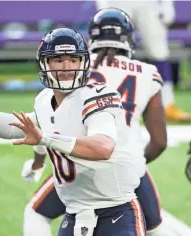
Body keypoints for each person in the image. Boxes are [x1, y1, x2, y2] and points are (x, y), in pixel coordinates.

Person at [0, 27, 145, 236]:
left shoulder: (98, 95)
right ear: (45, 63)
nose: (67, 67)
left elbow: (103, 147)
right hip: (74, 213)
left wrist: (44, 139)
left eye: (73, 59)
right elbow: (15, 127)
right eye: (58, 59)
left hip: (116, 210)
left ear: (83, 62)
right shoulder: (45, 100)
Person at [22, 8, 172, 236]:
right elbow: (159, 142)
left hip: (84, 161)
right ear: (129, 39)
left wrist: (38, 162)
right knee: (154, 228)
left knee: (36, 212)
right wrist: (130, 163)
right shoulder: (147, 73)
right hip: (129, 166)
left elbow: (48, 120)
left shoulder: (73, 64)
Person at [94, 0, 191, 123]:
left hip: (148, 3)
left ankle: (167, 104)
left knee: (158, 51)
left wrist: (167, 5)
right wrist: (103, 5)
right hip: (117, 3)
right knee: (117, 51)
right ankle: (115, 105)